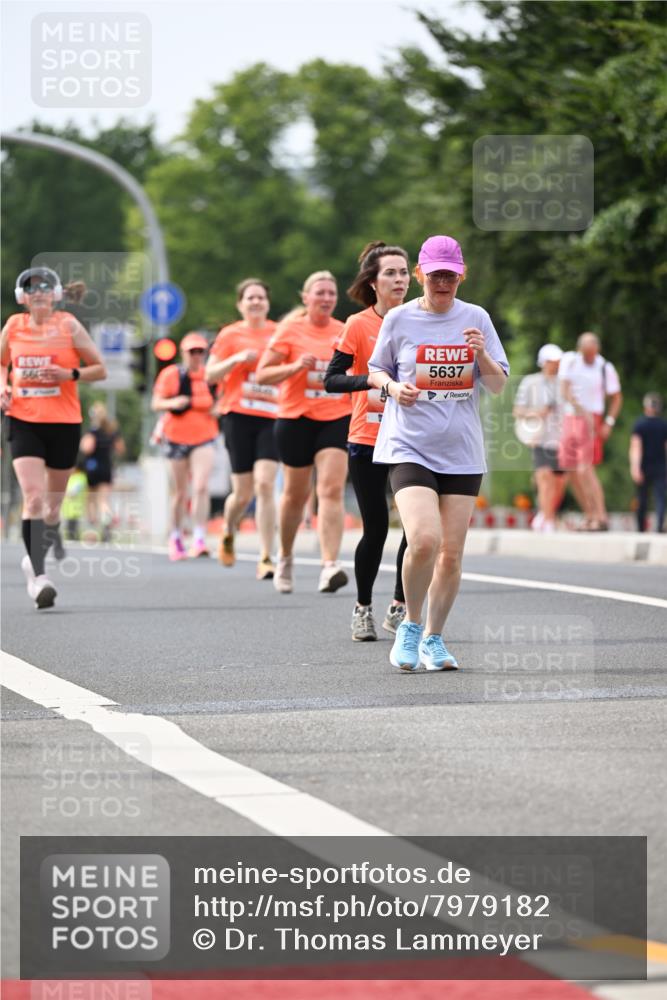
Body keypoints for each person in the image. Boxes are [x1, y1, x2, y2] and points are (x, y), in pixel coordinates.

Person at [368, 235, 509, 671]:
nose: (443, 282)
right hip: (409, 444)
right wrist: (393, 387)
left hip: (461, 450)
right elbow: (375, 371)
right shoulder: (399, 319)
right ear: (420, 276)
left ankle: (434, 637)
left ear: (461, 275)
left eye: (450, 275)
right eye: (435, 275)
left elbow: (498, 384)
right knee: (424, 539)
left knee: (451, 552)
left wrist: (481, 354)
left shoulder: (477, 318)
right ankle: (410, 625)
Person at [0, 266, 106, 608]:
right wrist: (3, 386)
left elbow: (99, 369)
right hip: (24, 420)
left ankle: (34, 557)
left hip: (64, 422)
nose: (39, 293)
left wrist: (68, 373)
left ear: (55, 294)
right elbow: (2, 363)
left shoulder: (69, 325)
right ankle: (40, 578)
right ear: (23, 297)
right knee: (33, 497)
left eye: (45, 287)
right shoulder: (14, 326)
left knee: (53, 507)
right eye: (32, 289)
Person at [324, 241, 410, 641]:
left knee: (417, 527)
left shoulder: (422, 319)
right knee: (375, 529)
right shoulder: (358, 325)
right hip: (368, 437)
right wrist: (374, 381)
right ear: (373, 282)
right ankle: (363, 609)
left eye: (404, 271)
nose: (399, 279)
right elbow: (332, 379)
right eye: (390, 272)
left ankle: (399, 605)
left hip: (412, 439)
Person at [256, 271, 351, 594]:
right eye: (319, 292)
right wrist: (294, 367)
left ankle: (329, 565)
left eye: (331, 293)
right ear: (305, 298)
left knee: (331, 489)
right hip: (296, 419)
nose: (326, 298)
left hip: (336, 416)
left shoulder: (345, 331)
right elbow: (263, 374)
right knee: (296, 496)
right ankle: (285, 556)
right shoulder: (290, 330)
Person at [206, 279, 279, 579]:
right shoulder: (230, 335)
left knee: (264, 485)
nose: (256, 302)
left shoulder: (278, 333)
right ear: (240, 304)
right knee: (242, 492)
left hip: (272, 416)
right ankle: (228, 526)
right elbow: (210, 374)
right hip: (237, 416)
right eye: (250, 298)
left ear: (267, 303)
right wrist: (236, 359)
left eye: (261, 297)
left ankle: (266, 556)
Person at [151, 332, 218, 560]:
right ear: (184, 353)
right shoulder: (171, 374)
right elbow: (156, 403)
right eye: (192, 351)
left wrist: (218, 409)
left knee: (200, 486)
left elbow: (223, 400)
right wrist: (174, 402)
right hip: (176, 437)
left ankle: (199, 537)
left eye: (200, 351)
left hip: (204, 436)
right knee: (180, 492)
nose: (197, 355)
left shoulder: (211, 375)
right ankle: (176, 536)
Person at [558, 332, 622, 531]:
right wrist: (578, 408)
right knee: (570, 469)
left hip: (592, 418)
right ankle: (589, 513)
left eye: (592, 354)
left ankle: (600, 516)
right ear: (580, 349)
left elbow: (616, 397)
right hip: (573, 416)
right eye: (587, 353)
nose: (590, 358)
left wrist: (609, 422)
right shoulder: (571, 361)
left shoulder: (604, 367)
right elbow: (564, 389)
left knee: (586, 467)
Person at [513, 343, 568, 533]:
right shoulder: (530, 382)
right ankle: (548, 519)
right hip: (540, 437)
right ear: (544, 362)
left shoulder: (565, 382)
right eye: (553, 362)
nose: (556, 365)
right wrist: (538, 413)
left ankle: (546, 514)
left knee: (559, 481)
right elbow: (517, 411)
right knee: (545, 476)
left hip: (562, 438)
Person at [80, 400, 125, 542]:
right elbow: (120, 449)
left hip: (93, 468)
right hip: (107, 468)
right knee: (104, 500)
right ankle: (106, 523)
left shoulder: (92, 431)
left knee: (91, 500)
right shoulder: (112, 431)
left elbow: (87, 448)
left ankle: (93, 528)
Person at [629, 393, 667, 532]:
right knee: (660, 498)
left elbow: (636, 447)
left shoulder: (640, 424)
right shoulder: (664, 425)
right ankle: (659, 526)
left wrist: (635, 467)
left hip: (644, 466)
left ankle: (640, 528)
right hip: (661, 467)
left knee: (642, 498)